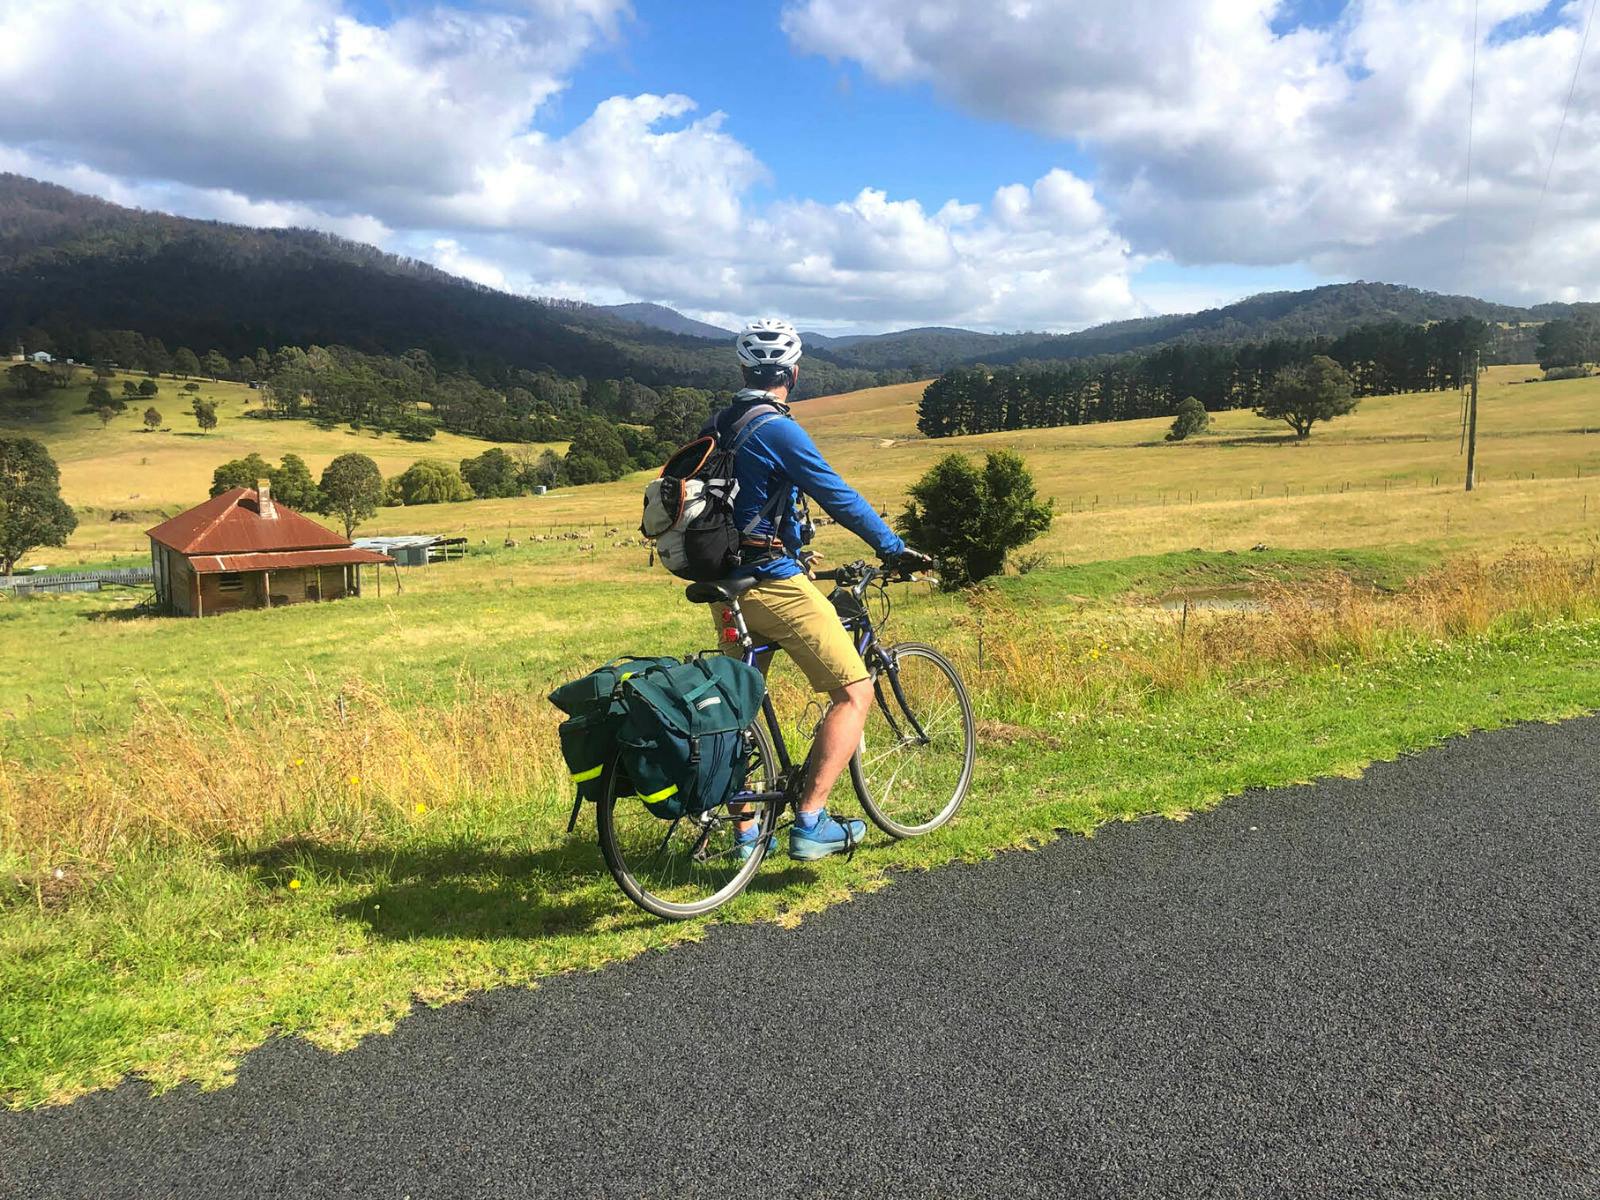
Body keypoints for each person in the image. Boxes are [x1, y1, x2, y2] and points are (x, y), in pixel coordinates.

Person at [704, 318, 934, 861]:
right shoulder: (776, 427)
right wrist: (893, 546)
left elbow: (744, 501)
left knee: (741, 707)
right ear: (794, 373)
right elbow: (838, 495)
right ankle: (810, 822)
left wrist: (792, 542)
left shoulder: (721, 422)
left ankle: (743, 836)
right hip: (770, 585)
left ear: (743, 369)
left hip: (726, 585)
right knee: (855, 693)